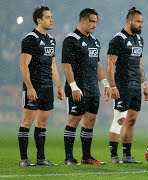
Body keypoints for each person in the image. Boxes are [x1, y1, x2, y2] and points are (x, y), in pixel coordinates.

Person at [62, 8, 111, 165]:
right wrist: (74, 86)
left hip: (92, 89)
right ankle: (69, 158)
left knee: (90, 121)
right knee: (73, 120)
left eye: (96, 22)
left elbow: (97, 65)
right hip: (78, 87)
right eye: (91, 21)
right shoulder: (71, 39)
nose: (94, 25)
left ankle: (86, 157)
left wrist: (105, 84)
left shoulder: (94, 41)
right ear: (82, 20)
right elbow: (66, 65)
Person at [18, 6, 65, 167]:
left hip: (47, 88)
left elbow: (52, 64)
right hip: (34, 87)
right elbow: (24, 66)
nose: (51, 20)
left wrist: (59, 85)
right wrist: (29, 87)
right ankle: (24, 159)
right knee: (26, 123)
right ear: (39, 20)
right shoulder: (30, 39)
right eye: (48, 17)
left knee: (42, 124)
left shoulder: (51, 40)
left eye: (51, 17)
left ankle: (41, 158)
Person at [106, 7, 148, 163]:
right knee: (119, 119)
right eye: (138, 21)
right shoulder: (118, 39)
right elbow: (110, 64)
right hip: (122, 84)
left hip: (135, 86)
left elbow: (139, 64)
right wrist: (112, 86)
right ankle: (113, 155)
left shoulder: (139, 40)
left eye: (142, 22)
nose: (140, 25)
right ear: (129, 21)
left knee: (131, 120)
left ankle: (127, 155)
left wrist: (144, 85)